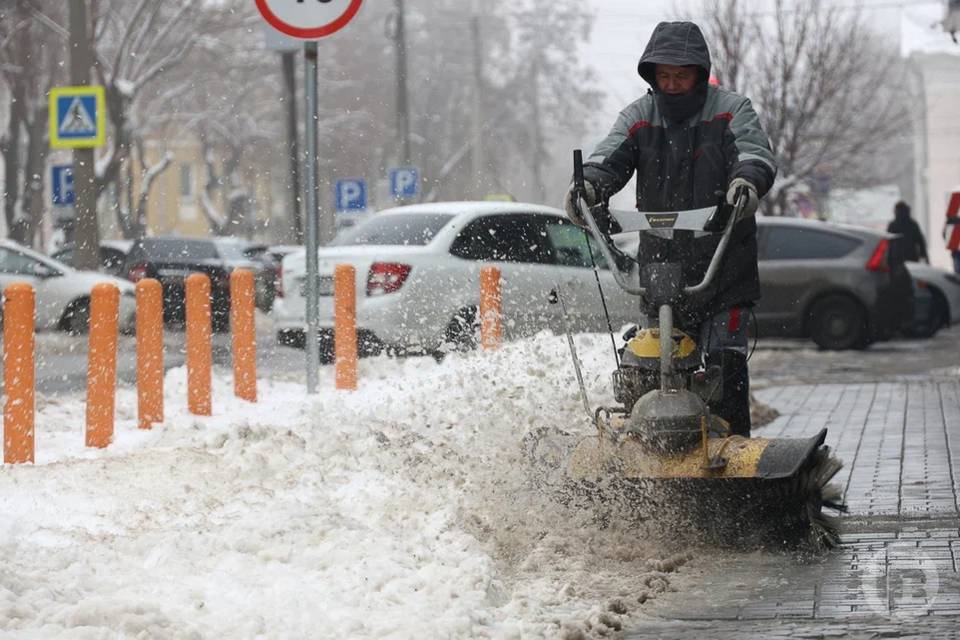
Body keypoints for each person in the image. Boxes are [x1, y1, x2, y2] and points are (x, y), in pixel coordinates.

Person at [564, 21, 777, 437]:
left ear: (700, 73)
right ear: (652, 75)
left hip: (723, 265)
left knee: (723, 363)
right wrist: (587, 187)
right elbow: (610, 157)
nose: (673, 84)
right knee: (653, 361)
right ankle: (652, 447)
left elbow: (754, 153)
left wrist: (745, 183)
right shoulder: (640, 116)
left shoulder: (730, 110)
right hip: (662, 267)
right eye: (664, 76)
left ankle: (732, 446)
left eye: (681, 76)